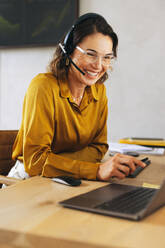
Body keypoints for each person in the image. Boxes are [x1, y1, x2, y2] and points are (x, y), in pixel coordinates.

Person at [8, 13, 146, 182]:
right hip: (28, 181)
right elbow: (36, 161)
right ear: (69, 50)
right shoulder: (43, 87)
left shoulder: (98, 91)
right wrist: (94, 170)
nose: (98, 65)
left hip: (71, 179)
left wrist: (59, 162)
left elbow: (99, 148)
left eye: (107, 57)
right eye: (91, 54)